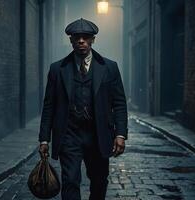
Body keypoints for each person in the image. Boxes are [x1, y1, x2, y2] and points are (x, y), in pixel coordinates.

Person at [38, 18, 128, 200]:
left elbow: (119, 103)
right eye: (77, 37)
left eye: (85, 37)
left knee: (99, 180)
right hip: (69, 134)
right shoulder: (57, 69)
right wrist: (44, 139)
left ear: (92, 39)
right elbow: (49, 105)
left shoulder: (109, 67)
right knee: (70, 180)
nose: (81, 41)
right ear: (71, 40)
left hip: (98, 134)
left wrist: (120, 134)